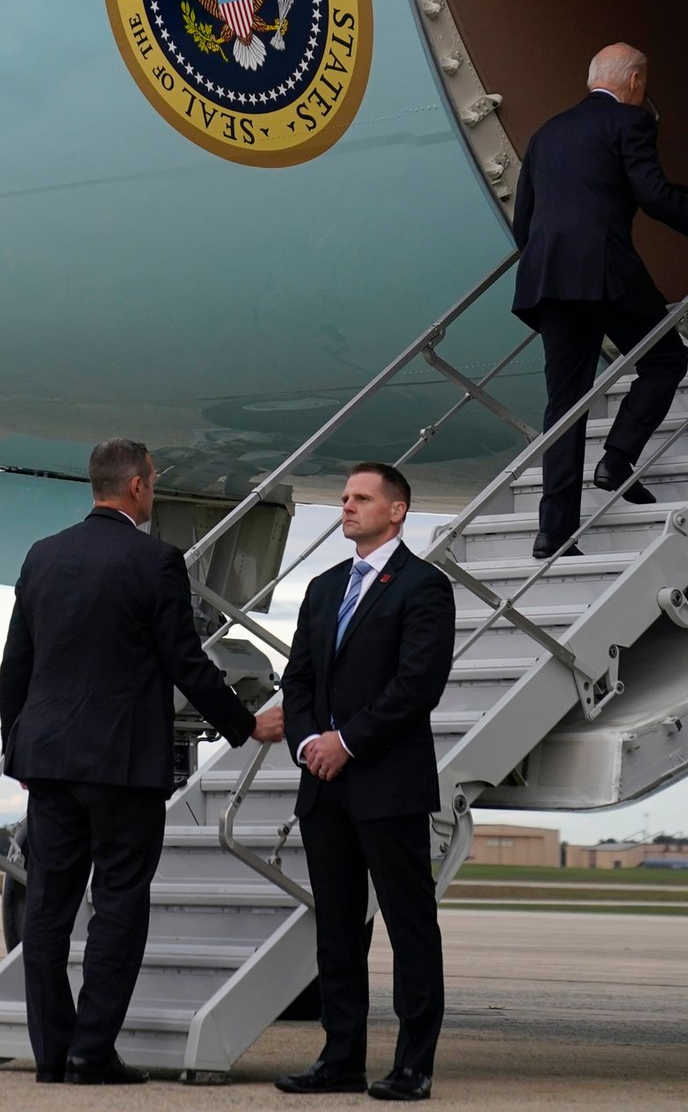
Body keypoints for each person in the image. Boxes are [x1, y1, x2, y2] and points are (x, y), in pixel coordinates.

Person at [0, 438, 285, 1086]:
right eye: (152, 481)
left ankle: (52, 1053)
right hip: (123, 765)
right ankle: (91, 1051)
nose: (152, 490)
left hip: (48, 760)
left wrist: (18, 746)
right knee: (119, 904)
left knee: (47, 908)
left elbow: (14, 666)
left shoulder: (43, 556)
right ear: (136, 487)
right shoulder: (155, 561)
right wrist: (245, 723)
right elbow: (186, 661)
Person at [275, 463, 454, 1102]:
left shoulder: (425, 587)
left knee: (410, 925)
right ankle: (340, 1058)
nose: (346, 507)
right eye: (344, 498)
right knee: (337, 929)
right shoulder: (324, 588)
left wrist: (346, 742)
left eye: (360, 498)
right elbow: (296, 680)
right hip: (323, 785)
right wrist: (306, 744)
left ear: (397, 511)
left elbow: (416, 686)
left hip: (387, 783)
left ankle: (413, 1064)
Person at [512, 42, 688, 560]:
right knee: (667, 358)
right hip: (606, 274)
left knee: (565, 405)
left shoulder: (547, 133)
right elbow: (653, 195)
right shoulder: (631, 123)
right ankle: (617, 459)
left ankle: (553, 533)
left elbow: (525, 220)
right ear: (633, 82)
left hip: (549, 282)